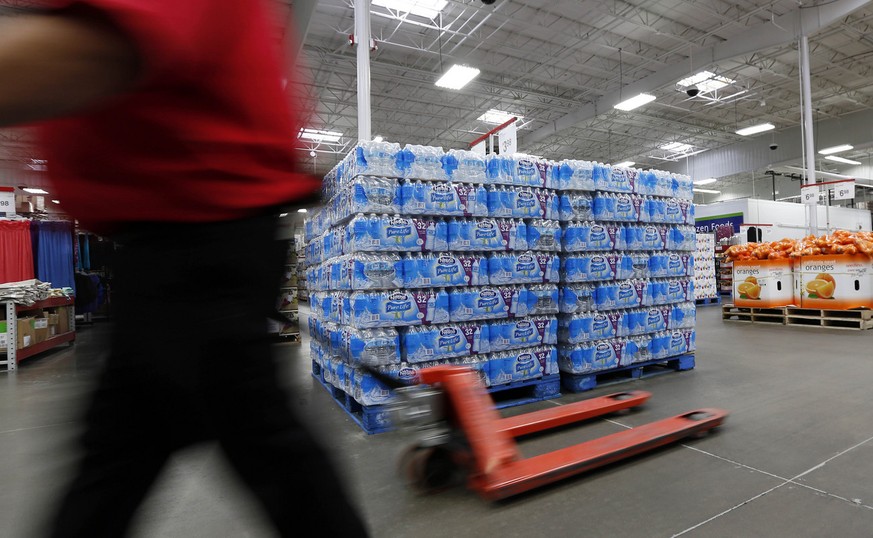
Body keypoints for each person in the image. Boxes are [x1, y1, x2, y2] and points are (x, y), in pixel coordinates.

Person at [0, 1, 369, 536]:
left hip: (196, 247)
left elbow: (93, 51)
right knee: (262, 460)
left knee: (125, 471)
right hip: (180, 249)